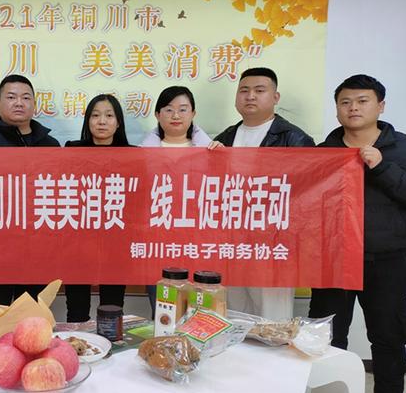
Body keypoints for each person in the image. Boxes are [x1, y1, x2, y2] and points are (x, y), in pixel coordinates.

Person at [309, 74, 406, 393]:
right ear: (337, 108)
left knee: (389, 333)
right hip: (332, 259)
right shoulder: (322, 153)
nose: (353, 108)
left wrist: (382, 165)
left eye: (362, 101)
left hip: (387, 259)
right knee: (326, 333)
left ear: (380, 106)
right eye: (345, 102)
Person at [212, 67, 314, 321]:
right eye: (244, 91)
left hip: (273, 244)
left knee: (272, 321)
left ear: (275, 97)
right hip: (232, 242)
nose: (250, 96)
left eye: (259, 90)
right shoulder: (225, 137)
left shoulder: (294, 138)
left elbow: (306, 195)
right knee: (233, 315)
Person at [0, 74, 60, 305]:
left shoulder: (51, 146)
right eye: (11, 97)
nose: (19, 103)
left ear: (34, 104)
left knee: (31, 312)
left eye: (26, 97)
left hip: (39, 245)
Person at [140, 86, 212, 314]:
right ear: (157, 115)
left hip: (197, 240)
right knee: (164, 308)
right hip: (157, 240)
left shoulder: (212, 151)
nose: (176, 115)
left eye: (183, 109)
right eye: (169, 109)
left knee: (199, 307)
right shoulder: (140, 154)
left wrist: (223, 156)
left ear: (193, 114)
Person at [64, 94, 129, 321]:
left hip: (116, 240)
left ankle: (110, 341)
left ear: (118, 122)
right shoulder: (71, 150)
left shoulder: (133, 154)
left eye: (109, 116)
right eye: (95, 115)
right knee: (77, 309)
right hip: (78, 240)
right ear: (88, 120)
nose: (102, 121)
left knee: (112, 307)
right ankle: (77, 343)